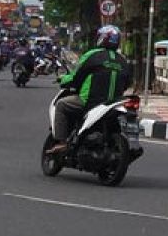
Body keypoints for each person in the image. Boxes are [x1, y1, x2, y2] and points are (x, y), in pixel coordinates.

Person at [46, 25, 129, 154]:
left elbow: (76, 76)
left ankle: (61, 142)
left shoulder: (92, 55)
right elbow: (128, 83)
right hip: (113, 104)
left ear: (101, 38)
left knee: (61, 105)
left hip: (89, 101)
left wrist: (62, 79)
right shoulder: (123, 60)